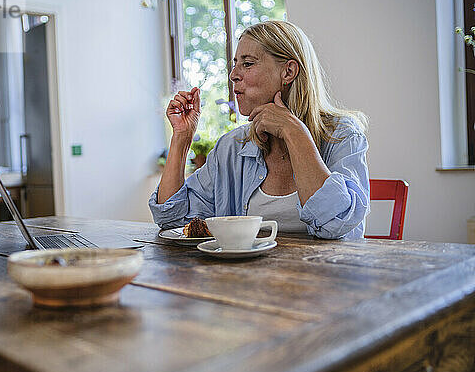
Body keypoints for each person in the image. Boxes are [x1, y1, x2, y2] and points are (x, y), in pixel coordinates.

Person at [149, 20, 370, 240]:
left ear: (288, 71)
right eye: (235, 63)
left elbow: (335, 224)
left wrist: (294, 132)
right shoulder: (233, 147)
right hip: (247, 274)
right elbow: (174, 221)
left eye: (247, 64)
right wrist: (181, 138)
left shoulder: (343, 136)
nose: (233, 74)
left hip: (326, 273)